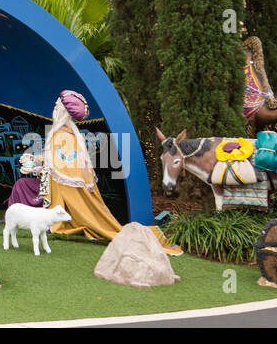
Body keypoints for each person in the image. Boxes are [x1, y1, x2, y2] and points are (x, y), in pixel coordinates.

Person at [46, 89, 180, 255]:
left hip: (66, 189)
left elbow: (65, 167)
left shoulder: (64, 136)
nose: (54, 109)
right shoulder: (66, 135)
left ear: (63, 112)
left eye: (56, 106)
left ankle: (59, 223)